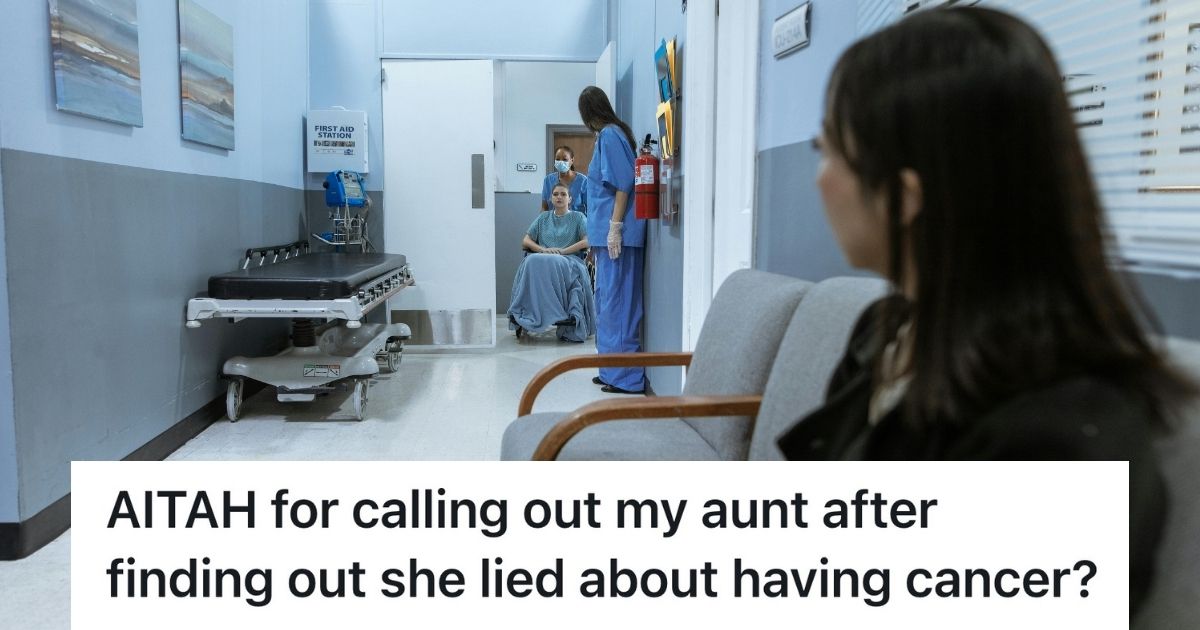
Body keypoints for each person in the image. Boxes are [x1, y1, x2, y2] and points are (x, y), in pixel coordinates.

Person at [773, 7, 1194, 615]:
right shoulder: (885, 334)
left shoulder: (1058, 444)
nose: (817, 181)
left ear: (904, 195)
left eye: (827, 150)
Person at [578, 86, 645, 394]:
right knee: (606, 303)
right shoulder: (608, 136)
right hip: (605, 241)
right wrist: (597, 240)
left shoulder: (610, 135)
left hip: (618, 238)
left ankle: (626, 379)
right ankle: (610, 370)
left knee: (618, 305)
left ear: (587, 113)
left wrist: (615, 226)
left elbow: (624, 183)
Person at [508, 183, 593, 342]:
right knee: (530, 260)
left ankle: (557, 312)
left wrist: (563, 251)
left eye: (563, 194)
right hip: (542, 257)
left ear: (570, 198)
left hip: (569, 259)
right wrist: (542, 250)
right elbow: (526, 240)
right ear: (550, 198)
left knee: (550, 261)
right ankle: (528, 310)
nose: (559, 197)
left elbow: (587, 241)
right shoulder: (543, 217)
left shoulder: (578, 217)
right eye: (555, 194)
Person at [540, 145, 589, 215]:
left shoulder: (583, 181)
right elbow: (544, 207)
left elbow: (590, 208)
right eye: (557, 159)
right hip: (553, 223)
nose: (560, 162)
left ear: (572, 160)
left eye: (564, 159)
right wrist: (542, 221)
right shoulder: (548, 180)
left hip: (577, 223)